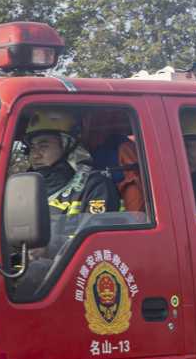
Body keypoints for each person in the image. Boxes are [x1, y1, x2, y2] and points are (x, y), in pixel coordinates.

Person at [21, 110, 121, 257]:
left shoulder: (95, 186)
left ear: (68, 145)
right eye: (32, 148)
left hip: (68, 270)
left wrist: (49, 248)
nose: (35, 155)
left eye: (43, 146)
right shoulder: (24, 190)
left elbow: (96, 241)